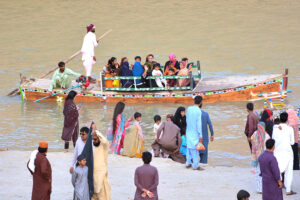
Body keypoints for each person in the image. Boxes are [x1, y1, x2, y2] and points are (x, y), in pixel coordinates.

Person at [272, 112, 296, 195]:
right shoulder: (290, 129)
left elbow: (273, 141)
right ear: (287, 119)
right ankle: (288, 190)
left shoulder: (275, 129)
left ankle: (277, 187)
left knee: (277, 170)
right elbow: (292, 142)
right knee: (288, 172)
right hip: (287, 152)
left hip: (277, 152)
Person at [251, 122, 270, 193]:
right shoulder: (267, 135)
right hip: (264, 157)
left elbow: (252, 141)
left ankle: (258, 189)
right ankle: (264, 188)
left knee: (257, 172)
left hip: (256, 156)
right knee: (265, 173)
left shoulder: (255, 134)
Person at [186, 96, 204, 170]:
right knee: (195, 150)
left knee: (189, 148)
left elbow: (186, 120)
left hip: (188, 130)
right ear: (200, 103)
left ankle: (188, 163)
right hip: (195, 132)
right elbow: (199, 124)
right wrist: (201, 135)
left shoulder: (189, 109)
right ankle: (195, 165)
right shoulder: (198, 111)